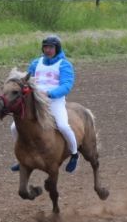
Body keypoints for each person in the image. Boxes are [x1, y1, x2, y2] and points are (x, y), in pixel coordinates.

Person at [10, 35, 80, 173]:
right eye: (45, 47)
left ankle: (74, 153)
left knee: (63, 126)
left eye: (51, 47)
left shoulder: (64, 65)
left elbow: (67, 85)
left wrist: (49, 94)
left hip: (54, 101)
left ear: (57, 48)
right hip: (36, 101)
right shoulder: (36, 63)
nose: (47, 50)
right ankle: (22, 157)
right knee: (14, 127)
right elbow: (28, 80)